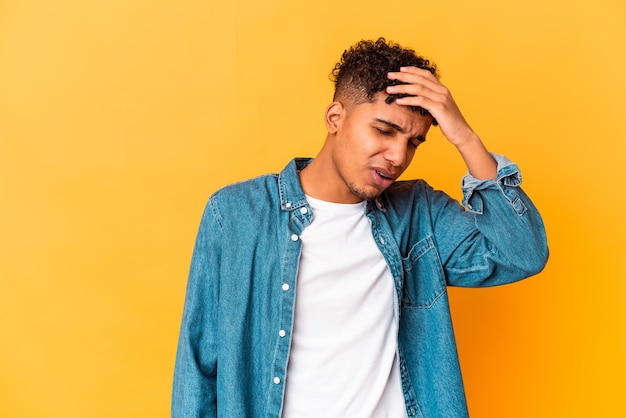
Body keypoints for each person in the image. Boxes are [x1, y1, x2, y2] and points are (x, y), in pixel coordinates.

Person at [172, 38, 548, 418]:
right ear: (335, 117)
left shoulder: (418, 214)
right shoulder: (237, 214)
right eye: (385, 131)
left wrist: (465, 137)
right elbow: (200, 360)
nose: (399, 156)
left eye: (414, 142)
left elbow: (523, 253)